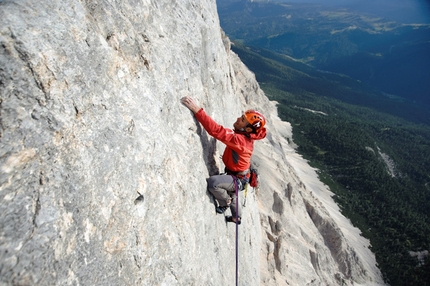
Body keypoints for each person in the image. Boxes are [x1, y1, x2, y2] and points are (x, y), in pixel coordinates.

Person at [181, 96, 266, 224]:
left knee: (213, 183)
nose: (238, 119)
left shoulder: (240, 140)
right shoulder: (245, 137)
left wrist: (197, 110)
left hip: (237, 179)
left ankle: (225, 202)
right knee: (234, 194)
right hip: (240, 177)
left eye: (242, 120)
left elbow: (216, 131)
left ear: (248, 129)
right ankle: (236, 218)